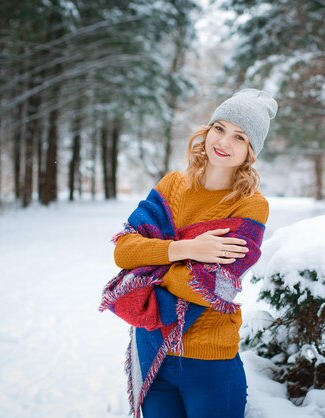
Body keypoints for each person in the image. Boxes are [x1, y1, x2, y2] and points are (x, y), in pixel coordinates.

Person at [111, 88, 277, 418]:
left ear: (250, 151)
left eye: (240, 137)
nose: (224, 142)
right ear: (208, 129)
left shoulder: (249, 206)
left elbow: (216, 288)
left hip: (210, 362)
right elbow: (124, 252)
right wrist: (187, 249)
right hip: (153, 353)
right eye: (220, 128)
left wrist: (152, 266)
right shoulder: (173, 185)